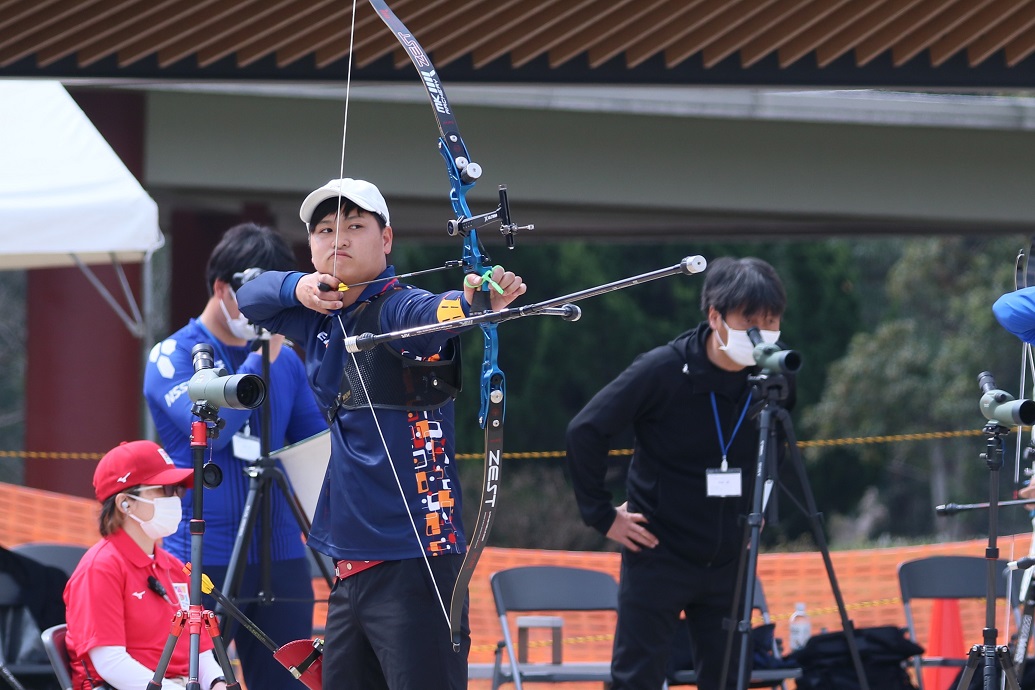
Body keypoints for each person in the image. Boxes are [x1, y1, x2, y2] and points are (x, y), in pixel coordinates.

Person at [235, 177, 527, 690]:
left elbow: (433, 315)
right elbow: (249, 298)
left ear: (386, 239)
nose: (338, 239)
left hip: (417, 558)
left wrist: (474, 302)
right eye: (325, 229)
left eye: (355, 225)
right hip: (350, 566)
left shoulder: (398, 306)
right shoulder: (315, 317)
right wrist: (299, 287)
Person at [565, 256, 790, 690]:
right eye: (749, 320)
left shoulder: (773, 374)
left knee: (729, 679)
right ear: (715, 316)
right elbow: (585, 431)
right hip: (658, 551)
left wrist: (755, 516)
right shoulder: (664, 369)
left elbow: (775, 448)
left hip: (730, 557)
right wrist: (602, 516)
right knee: (637, 678)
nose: (763, 332)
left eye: (772, 319)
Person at [143, 222, 326, 690]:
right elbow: (212, 430)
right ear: (223, 289)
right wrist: (260, 355)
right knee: (205, 682)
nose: (267, 310)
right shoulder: (173, 356)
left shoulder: (286, 358)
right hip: (202, 558)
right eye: (257, 294)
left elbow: (319, 450)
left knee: (288, 682)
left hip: (282, 556)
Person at [64, 440, 228, 690]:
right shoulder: (100, 568)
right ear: (124, 503)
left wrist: (217, 683)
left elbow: (201, 651)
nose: (174, 499)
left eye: (176, 489)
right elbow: (111, 664)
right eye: (163, 489)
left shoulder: (174, 567)